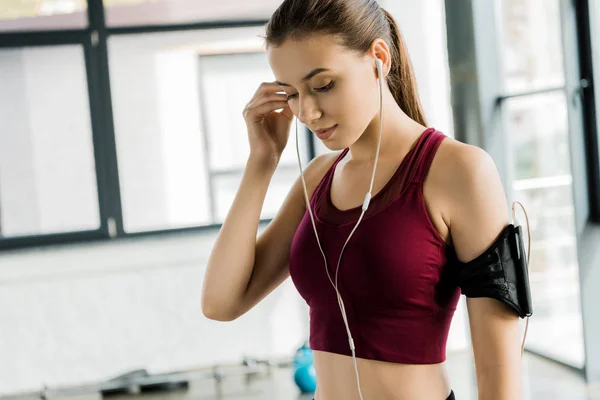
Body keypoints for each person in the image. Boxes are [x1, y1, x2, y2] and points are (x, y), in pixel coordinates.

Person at [202, 0, 524, 399]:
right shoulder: (318, 177)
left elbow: (498, 372)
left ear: (379, 58)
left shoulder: (458, 170)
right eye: (293, 94)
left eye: (323, 85)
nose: (307, 112)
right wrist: (261, 162)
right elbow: (221, 302)